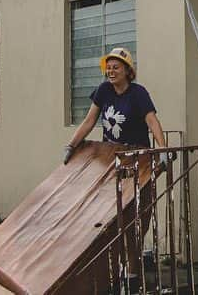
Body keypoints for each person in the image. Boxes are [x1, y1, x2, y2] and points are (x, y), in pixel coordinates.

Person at [63, 47, 168, 285]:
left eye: (116, 67)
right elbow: (90, 120)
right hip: (110, 157)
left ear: (128, 71)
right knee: (111, 213)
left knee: (139, 211)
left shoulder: (138, 93)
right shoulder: (103, 91)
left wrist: (162, 150)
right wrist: (71, 145)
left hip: (138, 157)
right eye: (108, 67)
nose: (111, 71)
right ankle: (110, 268)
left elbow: (152, 120)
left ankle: (132, 269)